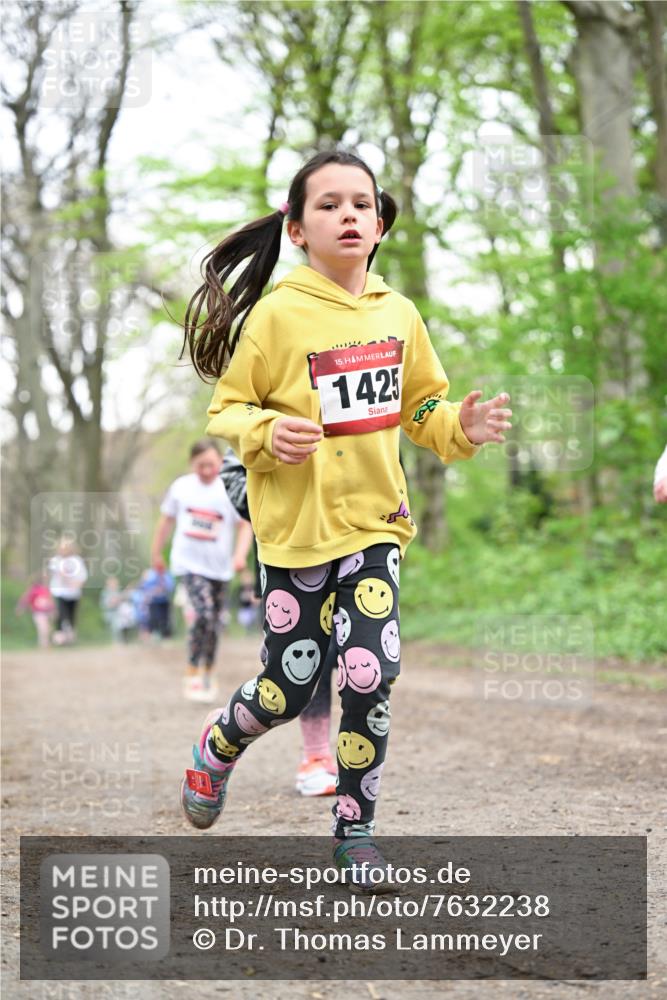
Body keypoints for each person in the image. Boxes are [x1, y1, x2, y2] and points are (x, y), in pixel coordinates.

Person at [179, 149, 512, 891]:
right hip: (295, 531)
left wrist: (460, 425)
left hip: (374, 523)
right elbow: (228, 409)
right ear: (297, 229)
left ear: (380, 224)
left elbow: (421, 409)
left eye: (361, 203)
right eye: (328, 205)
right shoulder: (276, 315)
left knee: (367, 672)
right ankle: (219, 743)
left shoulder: (399, 314)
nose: (349, 215)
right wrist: (268, 432)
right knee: (288, 687)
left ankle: (354, 832)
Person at [221, 446, 337, 797]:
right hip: (288, 553)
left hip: (359, 544)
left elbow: (388, 461)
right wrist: (277, 506)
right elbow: (232, 468)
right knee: (310, 661)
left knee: (360, 663)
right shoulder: (265, 407)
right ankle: (315, 756)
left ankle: (342, 761)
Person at [151, 440, 254, 702]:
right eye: (200, 466)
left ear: (220, 462)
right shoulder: (181, 487)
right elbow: (166, 521)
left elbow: (245, 525)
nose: (206, 470)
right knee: (203, 614)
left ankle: (208, 669)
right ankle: (192, 669)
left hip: (219, 567)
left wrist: (240, 554)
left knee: (215, 621)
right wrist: (156, 553)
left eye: (211, 465)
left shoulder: (228, 488)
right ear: (191, 464)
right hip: (188, 564)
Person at [48, 536, 88, 645]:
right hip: (59, 592)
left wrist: (77, 584)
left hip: (74, 594)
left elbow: (83, 576)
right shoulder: (56, 560)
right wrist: (69, 581)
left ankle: (70, 638)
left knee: (71, 616)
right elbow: (59, 573)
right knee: (61, 614)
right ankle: (59, 637)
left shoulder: (77, 560)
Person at [16, 572, 55, 648]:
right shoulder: (34, 589)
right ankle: (43, 644)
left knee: (48, 628)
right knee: (43, 628)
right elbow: (26, 599)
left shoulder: (46, 590)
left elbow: (49, 601)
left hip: (46, 612)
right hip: (38, 613)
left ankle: (46, 643)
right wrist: (20, 608)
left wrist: (52, 610)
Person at [100, 576, 137, 643]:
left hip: (119, 613)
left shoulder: (117, 591)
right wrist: (120, 597)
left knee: (128, 619)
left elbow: (123, 599)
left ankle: (126, 640)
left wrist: (128, 591)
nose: (115, 585)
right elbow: (110, 604)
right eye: (113, 583)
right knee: (117, 622)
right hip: (110, 614)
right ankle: (117, 642)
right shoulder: (105, 593)